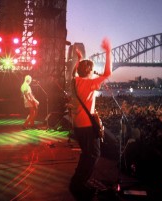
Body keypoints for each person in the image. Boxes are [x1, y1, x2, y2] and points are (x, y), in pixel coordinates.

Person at [69, 38, 112, 200]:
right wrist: (108, 52)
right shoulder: (90, 84)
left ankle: (78, 181)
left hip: (77, 126)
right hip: (87, 127)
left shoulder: (75, 81)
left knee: (86, 154)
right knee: (93, 154)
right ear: (89, 71)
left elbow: (73, 73)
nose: (95, 71)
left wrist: (79, 61)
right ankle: (78, 184)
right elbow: (108, 73)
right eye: (93, 69)